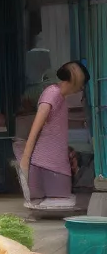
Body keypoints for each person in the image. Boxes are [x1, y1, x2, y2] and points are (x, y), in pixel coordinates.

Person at [19, 61, 89, 205]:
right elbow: (36, 126)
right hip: (48, 164)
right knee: (59, 204)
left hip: (54, 163)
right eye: (81, 85)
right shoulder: (52, 94)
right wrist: (25, 159)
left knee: (59, 204)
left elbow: (54, 131)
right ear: (75, 81)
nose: (81, 89)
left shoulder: (59, 97)